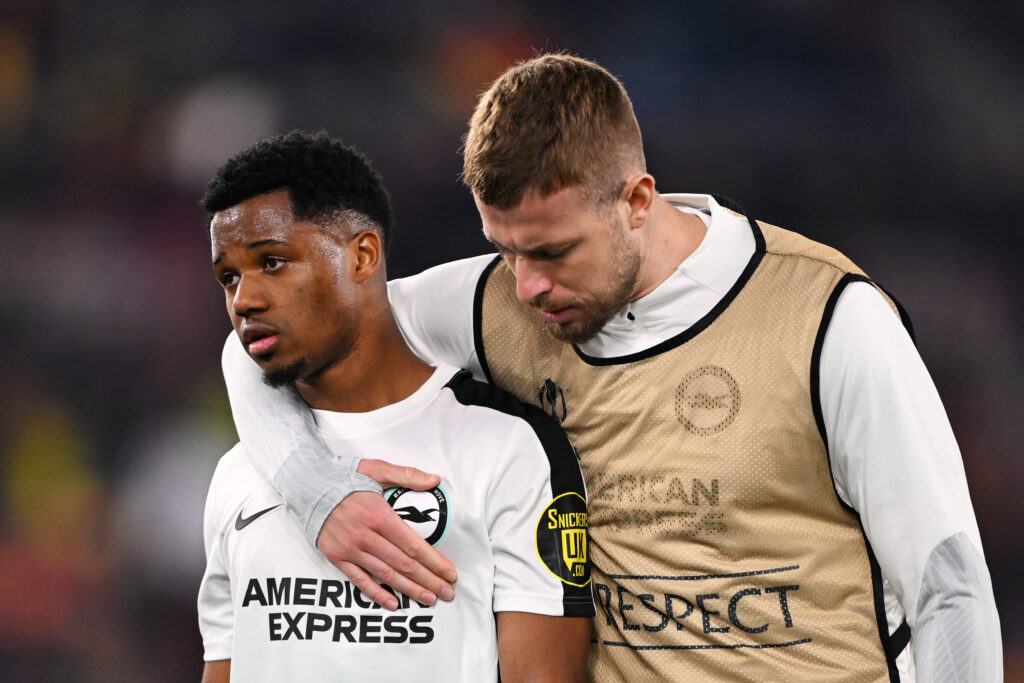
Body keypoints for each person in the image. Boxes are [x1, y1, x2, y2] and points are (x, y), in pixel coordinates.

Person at [220, 57, 1002, 681]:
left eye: (554, 251)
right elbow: (274, 337)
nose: (527, 285)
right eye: (506, 249)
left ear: (637, 199)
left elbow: (951, 587)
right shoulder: (501, 306)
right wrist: (317, 492)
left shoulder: (830, 319)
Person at [196, 130, 594, 683]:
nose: (245, 300)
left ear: (362, 255)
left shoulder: (507, 446)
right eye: (229, 277)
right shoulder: (240, 471)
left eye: (274, 262)